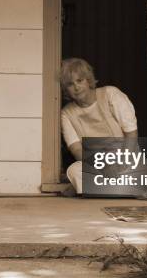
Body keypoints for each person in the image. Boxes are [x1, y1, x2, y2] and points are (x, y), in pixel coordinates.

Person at [60, 58, 140, 196]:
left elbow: (131, 135)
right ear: (66, 89)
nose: (77, 87)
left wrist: (120, 164)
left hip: (125, 159)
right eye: (70, 84)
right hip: (94, 164)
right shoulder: (66, 113)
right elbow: (77, 149)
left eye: (80, 81)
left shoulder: (111, 94)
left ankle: (94, 190)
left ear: (89, 80)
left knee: (145, 170)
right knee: (74, 171)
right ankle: (122, 191)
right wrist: (102, 166)